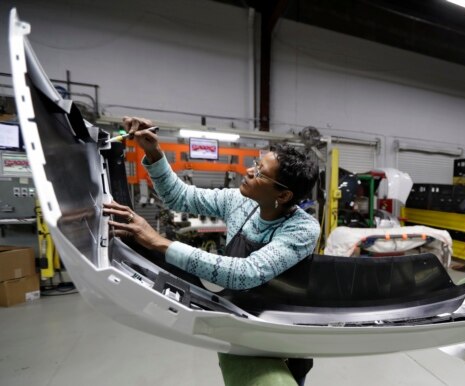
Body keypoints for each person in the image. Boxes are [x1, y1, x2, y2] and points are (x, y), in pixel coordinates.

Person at [103, 116, 320, 386]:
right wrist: (153, 152)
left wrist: (159, 242)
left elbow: (247, 273)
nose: (249, 172)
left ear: (284, 195)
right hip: (239, 319)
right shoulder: (238, 201)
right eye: (255, 164)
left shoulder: (303, 229)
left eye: (259, 172)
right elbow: (179, 197)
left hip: (283, 331)